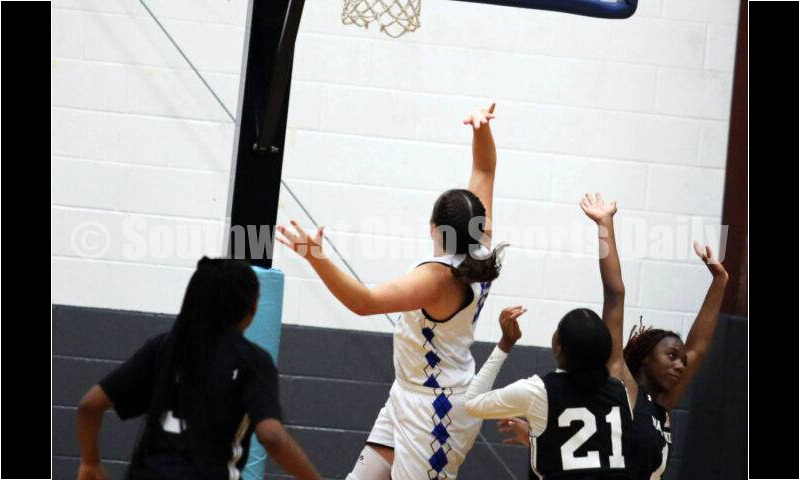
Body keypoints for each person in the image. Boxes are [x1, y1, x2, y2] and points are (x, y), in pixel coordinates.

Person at [276, 103, 505, 479]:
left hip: (436, 411)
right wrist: (481, 130)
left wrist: (316, 258)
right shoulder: (482, 246)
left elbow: (363, 303)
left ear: (433, 227)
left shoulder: (438, 279)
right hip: (410, 395)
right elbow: (484, 169)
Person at [498, 193, 729, 480]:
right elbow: (615, 294)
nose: (681, 364)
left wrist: (720, 282)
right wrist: (604, 225)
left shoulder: (661, 407)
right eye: (671, 356)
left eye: (681, 359)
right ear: (645, 358)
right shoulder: (621, 386)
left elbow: (699, 349)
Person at [76, 257, 321, 480]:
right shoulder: (252, 360)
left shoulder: (165, 347)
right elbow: (272, 437)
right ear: (252, 306)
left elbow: (89, 405)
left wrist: (90, 462)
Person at [464, 306, 634, 479]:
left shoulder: (539, 392)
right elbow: (598, 454)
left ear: (558, 346)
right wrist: (541, 437)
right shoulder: (620, 391)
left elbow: (471, 403)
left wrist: (505, 344)